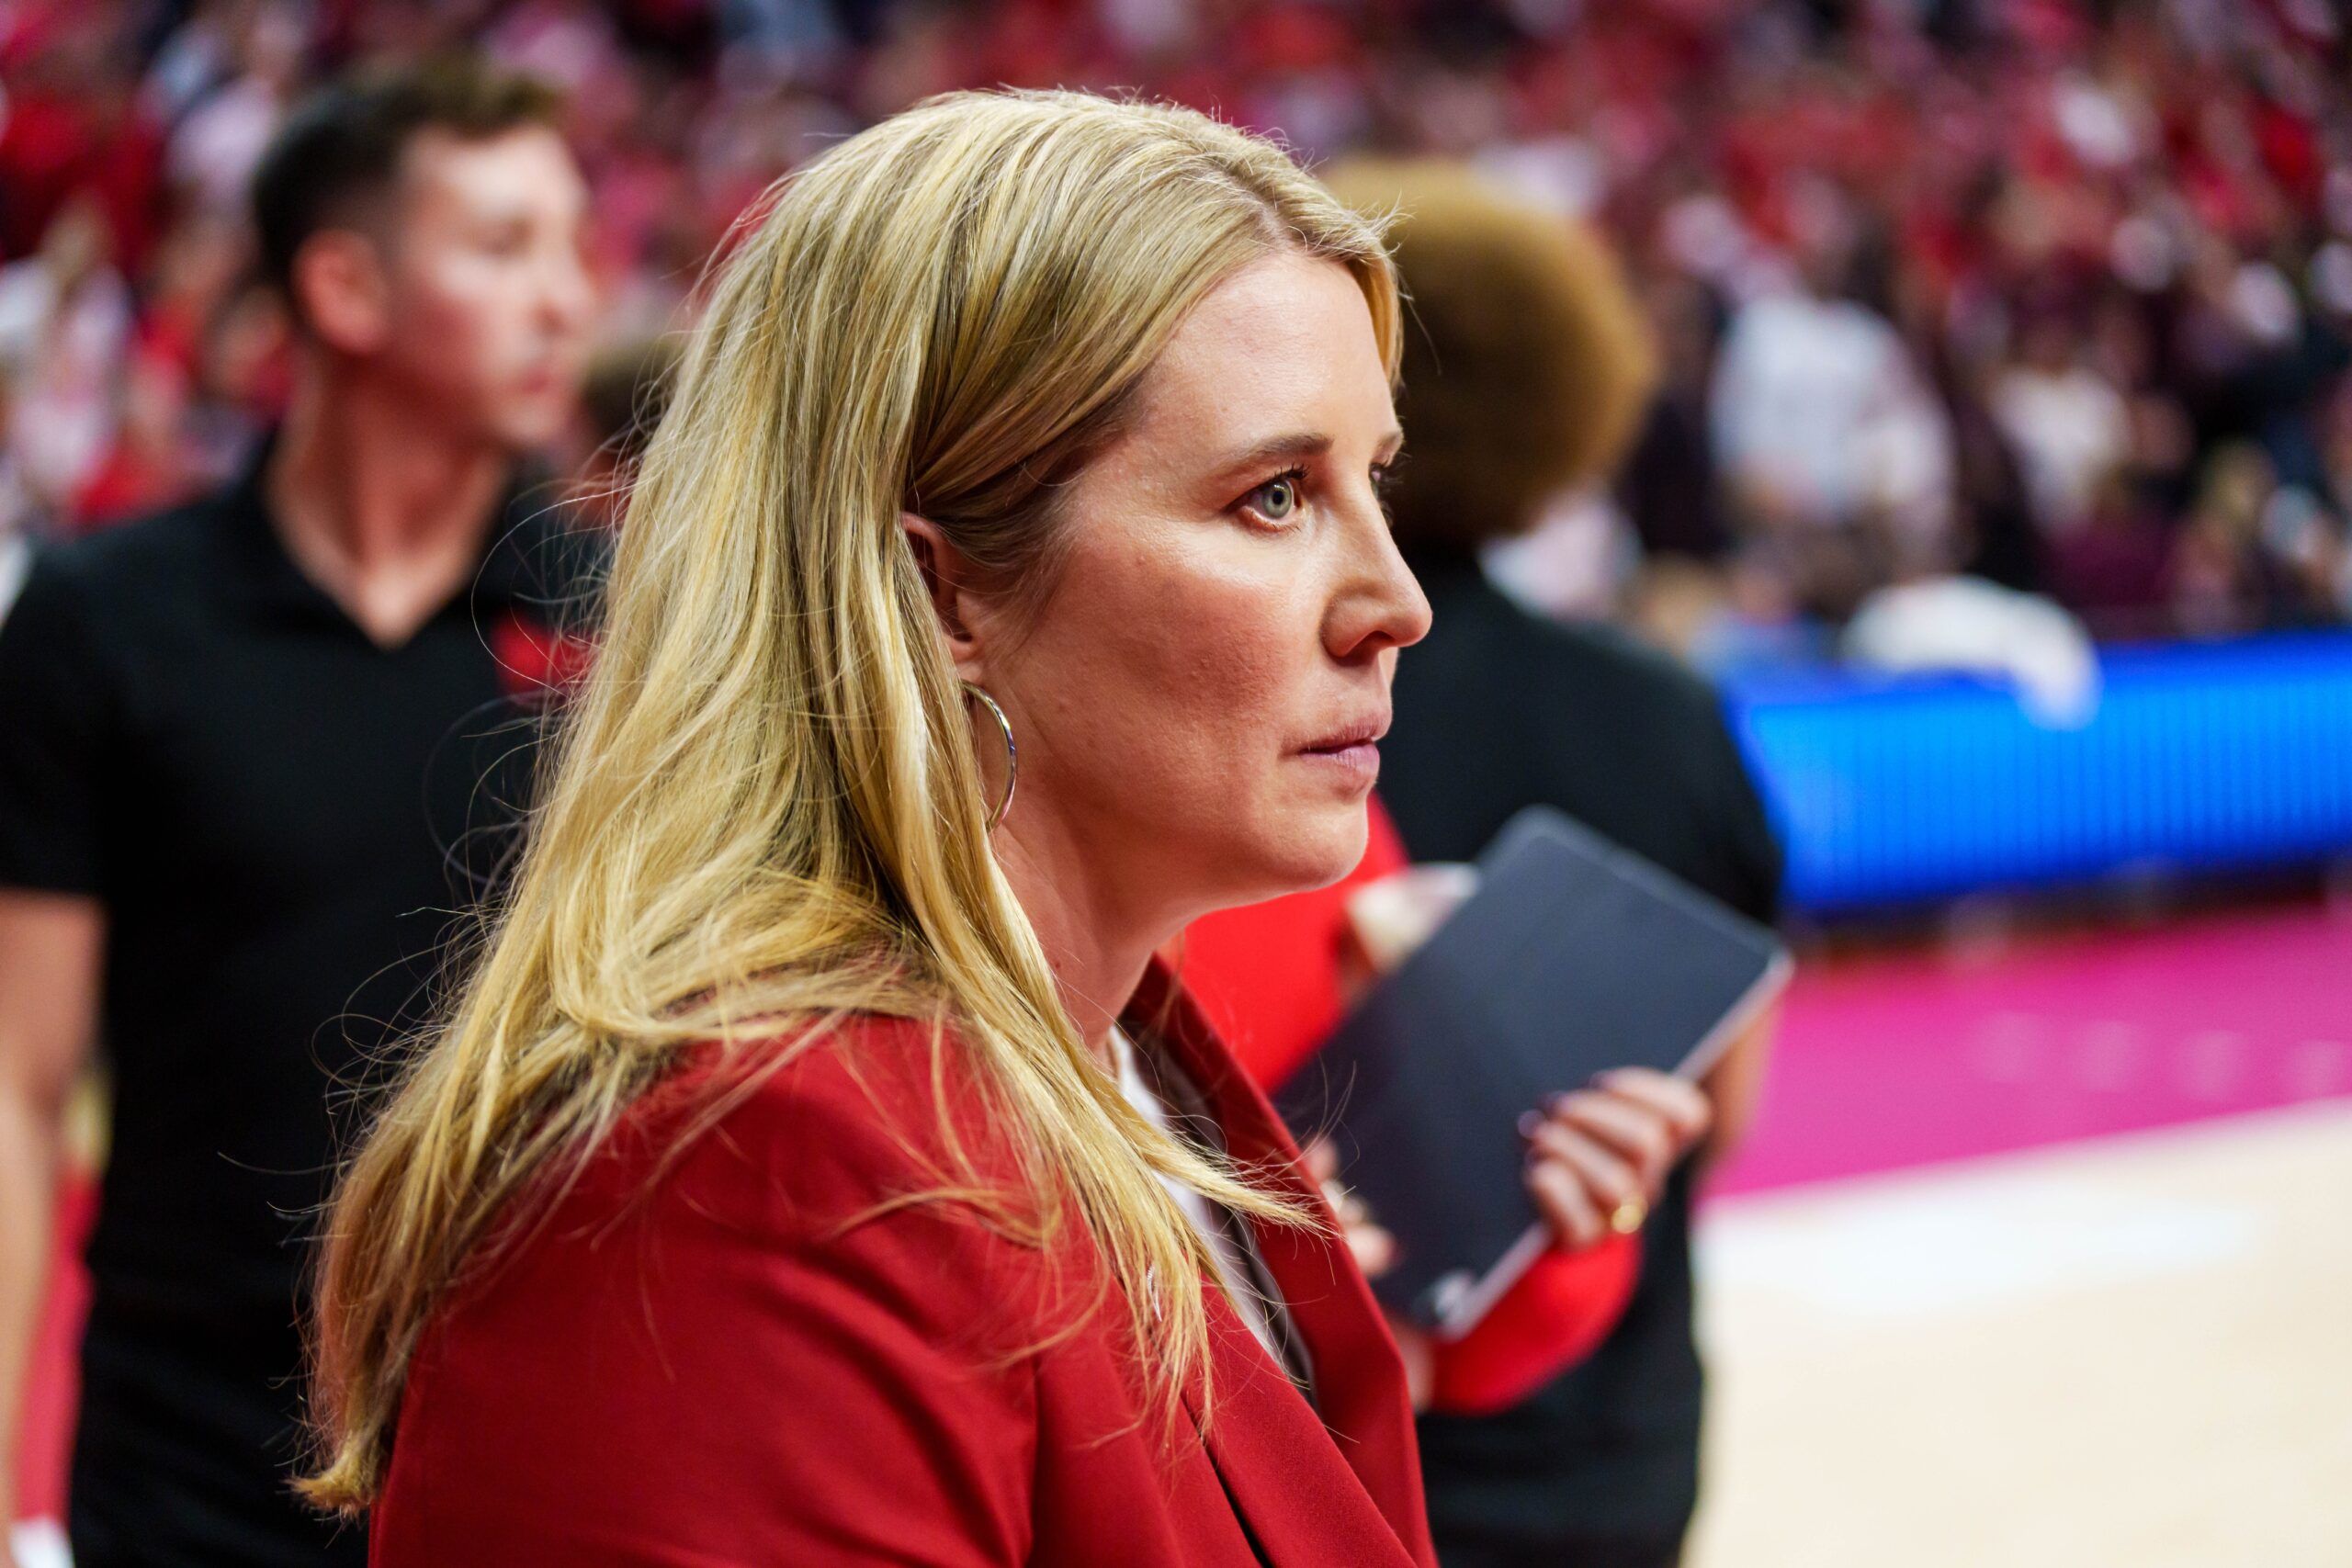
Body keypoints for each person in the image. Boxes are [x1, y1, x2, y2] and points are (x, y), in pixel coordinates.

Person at [300, 89, 1438, 1565]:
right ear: (941, 590)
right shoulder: (758, 1172)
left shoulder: (1125, 1063)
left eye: (1371, 480)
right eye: (1273, 496)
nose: (1397, 602)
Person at [0, 59, 594, 1566]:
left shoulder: (633, 628)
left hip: (544, 1454)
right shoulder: (106, 620)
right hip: (183, 1469)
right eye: (504, 246)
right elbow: (16, 1080)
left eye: (572, 246)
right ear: (344, 287)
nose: (566, 299)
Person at [1323, 162, 1785, 1568]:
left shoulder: (1278, 715)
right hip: (1617, 1426)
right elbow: (1720, 1106)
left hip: (1353, 1414)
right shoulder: (1664, 711)